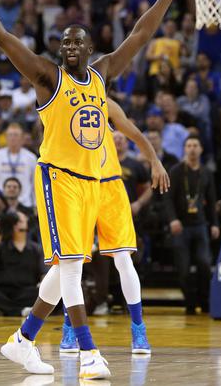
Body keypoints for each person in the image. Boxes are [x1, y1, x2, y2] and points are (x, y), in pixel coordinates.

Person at [0, 0, 193, 378]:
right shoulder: (47, 76)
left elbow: (139, 35)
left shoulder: (102, 74)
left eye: (76, 41)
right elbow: (1, 37)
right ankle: (88, 353)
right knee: (70, 269)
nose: (68, 46)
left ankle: (22, 340)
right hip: (58, 177)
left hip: (94, 181)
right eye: (63, 41)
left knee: (68, 268)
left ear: (90, 48)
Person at [59, 98, 169, 354]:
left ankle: (138, 329)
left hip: (110, 187)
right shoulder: (61, 103)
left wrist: (154, 160)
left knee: (123, 259)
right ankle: (70, 327)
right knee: (72, 263)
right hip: (77, 187)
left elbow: (133, 132)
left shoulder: (104, 103)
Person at [165, 136, 219, 315]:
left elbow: (211, 201)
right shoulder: (176, 171)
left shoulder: (206, 173)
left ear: (201, 149)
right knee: (183, 267)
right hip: (181, 226)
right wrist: (173, 219)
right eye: (189, 146)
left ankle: (205, 302)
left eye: (196, 145)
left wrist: (214, 224)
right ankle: (189, 303)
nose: (192, 149)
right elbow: (168, 199)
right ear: (184, 149)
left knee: (204, 263)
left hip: (201, 224)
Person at [0, 211, 44, 316]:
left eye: (20, 221)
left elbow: (44, 274)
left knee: (44, 295)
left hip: (25, 291)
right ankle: (20, 311)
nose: (17, 225)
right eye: (14, 222)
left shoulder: (36, 249)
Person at [0, 122, 37, 208]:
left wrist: (36, 205)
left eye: (16, 135)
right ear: (6, 137)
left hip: (25, 203)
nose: (13, 138)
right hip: (1, 203)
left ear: (22, 138)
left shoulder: (31, 157)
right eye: (10, 135)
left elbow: (34, 184)